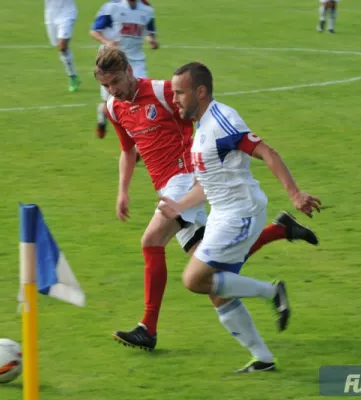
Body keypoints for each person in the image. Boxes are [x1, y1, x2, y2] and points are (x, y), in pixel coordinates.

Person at [94, 47, 319, 355]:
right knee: (209, 269)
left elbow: (196, 114)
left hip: (185, 179)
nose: (113, 90)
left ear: (129, 71)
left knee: (151, 241)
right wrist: (123, 191)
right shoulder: (114, 107)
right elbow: (127, 150)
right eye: (106, 86)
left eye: (116, 82)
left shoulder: (162, 92)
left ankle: (148, 328)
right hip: (166, 187)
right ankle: (280, 232)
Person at [157, 61, 322, 372]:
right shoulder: (201, 128)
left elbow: (268, 153)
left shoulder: (223, 120)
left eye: (180, 92)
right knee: (216, 291)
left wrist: (295, 194)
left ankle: (272, 292)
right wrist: (178, 208)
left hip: (241, 213)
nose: (175, 98)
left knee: (194, 279)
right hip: (222, 214)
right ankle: (263, 359)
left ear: (200, 91)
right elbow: (207, 185)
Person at [90, 0, 158, 139]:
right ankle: (102, 116)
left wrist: (151, 40)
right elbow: (94, 31)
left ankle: (139, 138)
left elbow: (148, 31)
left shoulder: (147, 9)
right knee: (110, 101)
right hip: (112, 60)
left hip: (136, 61)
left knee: (140, 96)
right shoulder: (112, 7)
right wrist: (107, 42)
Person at [45, 0, 81, 92]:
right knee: (59, 48)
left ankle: (72, 76)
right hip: (51, 15)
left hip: (67, 12)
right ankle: (73, 75)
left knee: (62, 46)